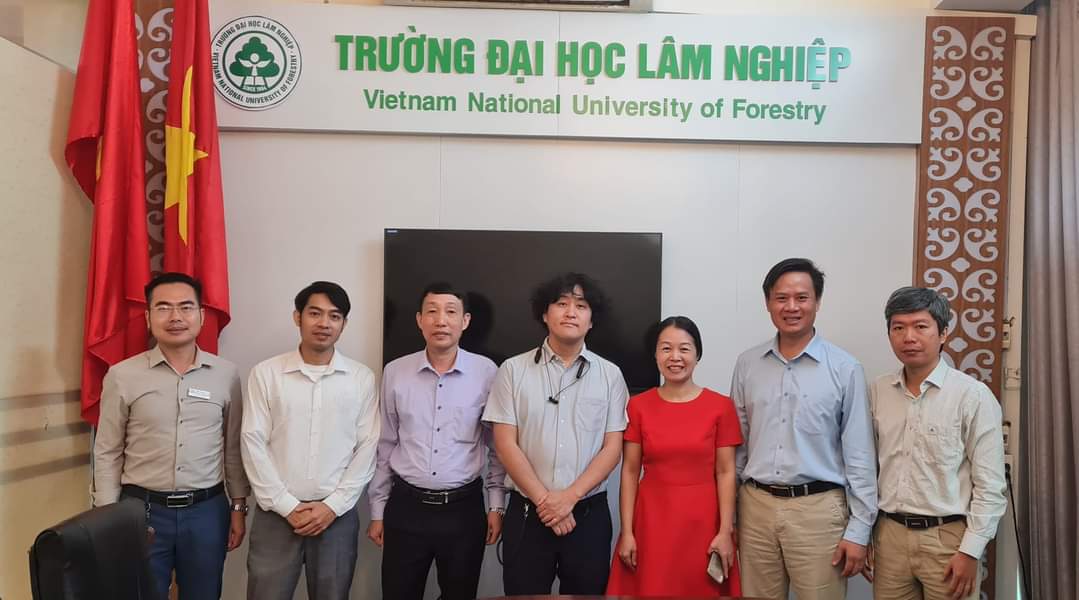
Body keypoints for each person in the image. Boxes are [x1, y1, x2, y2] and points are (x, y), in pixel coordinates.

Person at [93, 272, 249, 600]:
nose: (175, 317)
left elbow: (232, 447)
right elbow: (107, 451)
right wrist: (107, 518)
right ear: (148, 317)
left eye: (185, 307)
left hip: (206, 511)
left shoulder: (226, 374)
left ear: (201, 316)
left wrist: (238, 505)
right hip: (141, 510)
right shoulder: (122, 375)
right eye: (163, 308)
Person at [731, 257, 877, 600]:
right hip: (755, 509)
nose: (792, 307)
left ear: (817, 302)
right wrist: (729, 515)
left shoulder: (845, 368)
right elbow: (738, 446)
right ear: (768, 302)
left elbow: (860, 455)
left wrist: (860, 529)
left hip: (818, 511)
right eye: (781, 298)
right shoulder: (748, 364)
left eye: (802, 297)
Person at [482, 272, 629, 595]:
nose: (571, 312)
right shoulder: (513, 370)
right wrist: (546, 502)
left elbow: (612, 448)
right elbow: (505, 444)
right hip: (527, 513)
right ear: (545, 314)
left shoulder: (610, 375)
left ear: (591, 320)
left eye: (581, 305)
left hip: (587, 516)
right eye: (561, 304)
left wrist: (569, 498)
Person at [863, 287, 1006, 600]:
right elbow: (867, 468)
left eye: (920, 326)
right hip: (889, 536)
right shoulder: (877, 391)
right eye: (898, 328)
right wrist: (866, 533)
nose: (909, 337)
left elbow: (991, 485)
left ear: (943, 333)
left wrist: (970, 551)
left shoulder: (972, 395)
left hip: (948, 540)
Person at [366, 282, 507, 600]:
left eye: (450, 312)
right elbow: (386, 443)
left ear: (465, 321)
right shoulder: (395, 371)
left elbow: (497, 447)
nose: (441, 320)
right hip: (406, 507)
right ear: (419, 320)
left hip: (463, 510)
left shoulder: (487, 372)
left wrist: (496, 506)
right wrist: (377, 510)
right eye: (432, 311)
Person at [241, 281, 379, 600]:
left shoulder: (361, 378)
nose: (324, 323)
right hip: (276, 515)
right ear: (297, 317)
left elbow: (367, 446)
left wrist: (332, 506)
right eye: (315, 313)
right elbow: (252, 441)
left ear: (344, 324)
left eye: (334, 316)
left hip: (336, 517)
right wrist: (287, 506)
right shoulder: (266, 374)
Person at [607, 316, 743, 596]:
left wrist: (725, 530)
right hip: (652, 520)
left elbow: (726, 472)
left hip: (704, 522)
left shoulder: (721, 407)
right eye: (666, 348)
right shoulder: (638, 406)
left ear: (697, 354)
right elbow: (630, 471)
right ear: (655, 354)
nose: (675, 357)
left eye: (684, 348)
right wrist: (628, 532)